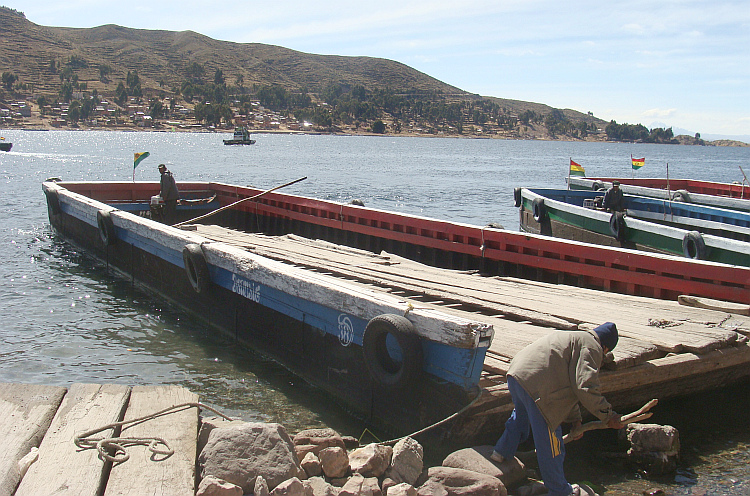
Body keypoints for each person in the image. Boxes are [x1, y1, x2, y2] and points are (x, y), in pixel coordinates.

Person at [490, 323, 624, 496]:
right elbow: (584, 387)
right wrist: (608, 415)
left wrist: (575, 420)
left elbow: (568, 387)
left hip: (517, 374)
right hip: (539, 385)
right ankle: (560, 490)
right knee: (551, 442)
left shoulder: (575, 337)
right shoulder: (593, 346)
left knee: (520, 417)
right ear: (605, 346)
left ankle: (500, 452)